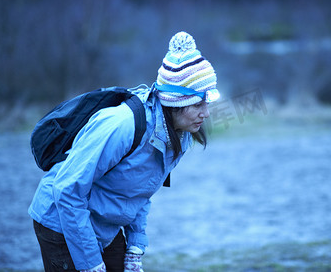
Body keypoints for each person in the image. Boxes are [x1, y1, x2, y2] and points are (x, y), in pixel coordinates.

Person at [28, 31, 220, 272]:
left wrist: (135, 247)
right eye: (198, 104)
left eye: (208, 103)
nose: (207, 113)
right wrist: (91, 264)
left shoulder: (177, 136)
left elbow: (141, 193)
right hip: (61, 223)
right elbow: (67, 189)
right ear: (175, 102)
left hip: (104, 226)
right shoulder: (122, 125)